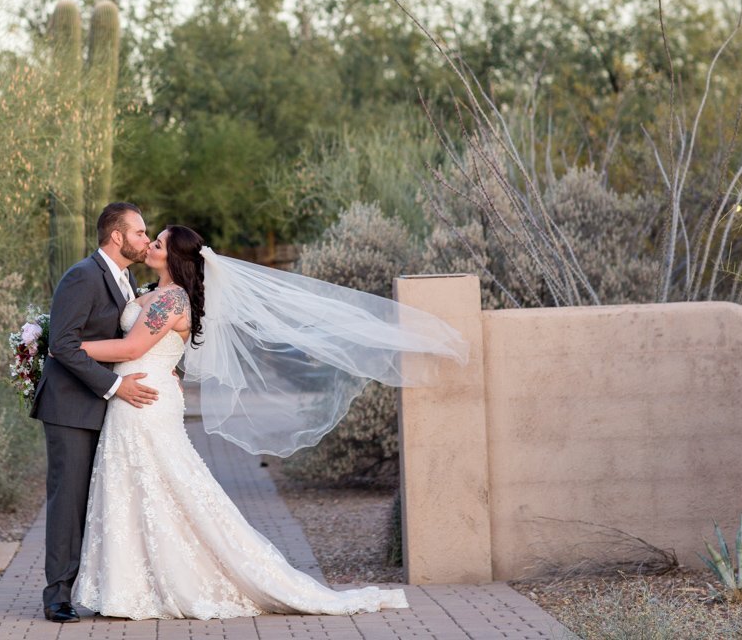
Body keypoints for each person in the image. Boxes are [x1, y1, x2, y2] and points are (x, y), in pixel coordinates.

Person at [69, 224, 468, 621]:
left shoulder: (171, 300)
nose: (151, 246)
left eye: (158, 243)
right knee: (144, 486)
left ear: (173, 258)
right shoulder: (154, 294)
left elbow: (132, 346)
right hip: (140, 393)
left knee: (161, 485)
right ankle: (130, 586)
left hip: (144, 400)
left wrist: (65, 345)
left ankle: (158, 583)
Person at [30, 202, 161, 624]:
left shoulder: (126, 279)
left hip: (105, 408)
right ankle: (57, 596)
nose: (146, 239)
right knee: (68, 500)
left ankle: (98, 585)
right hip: (71, 406)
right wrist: (117, 386)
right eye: (140, 233)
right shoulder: (82, 276)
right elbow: (63, 345)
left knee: (99, 499)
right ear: (117, 236)